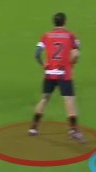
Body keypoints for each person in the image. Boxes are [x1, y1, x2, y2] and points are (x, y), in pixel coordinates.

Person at [31, 12, 85, 141]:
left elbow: (37, 54)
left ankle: (34, 127)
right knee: (69, 100)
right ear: (65, 22)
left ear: (54, 22)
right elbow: (76, 54)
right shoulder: (70, 36)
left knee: (44, 99)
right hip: (64, 73)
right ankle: (73, 130)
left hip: (50, 73)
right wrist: (72, 62)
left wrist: (43, 65)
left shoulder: (46, 36)